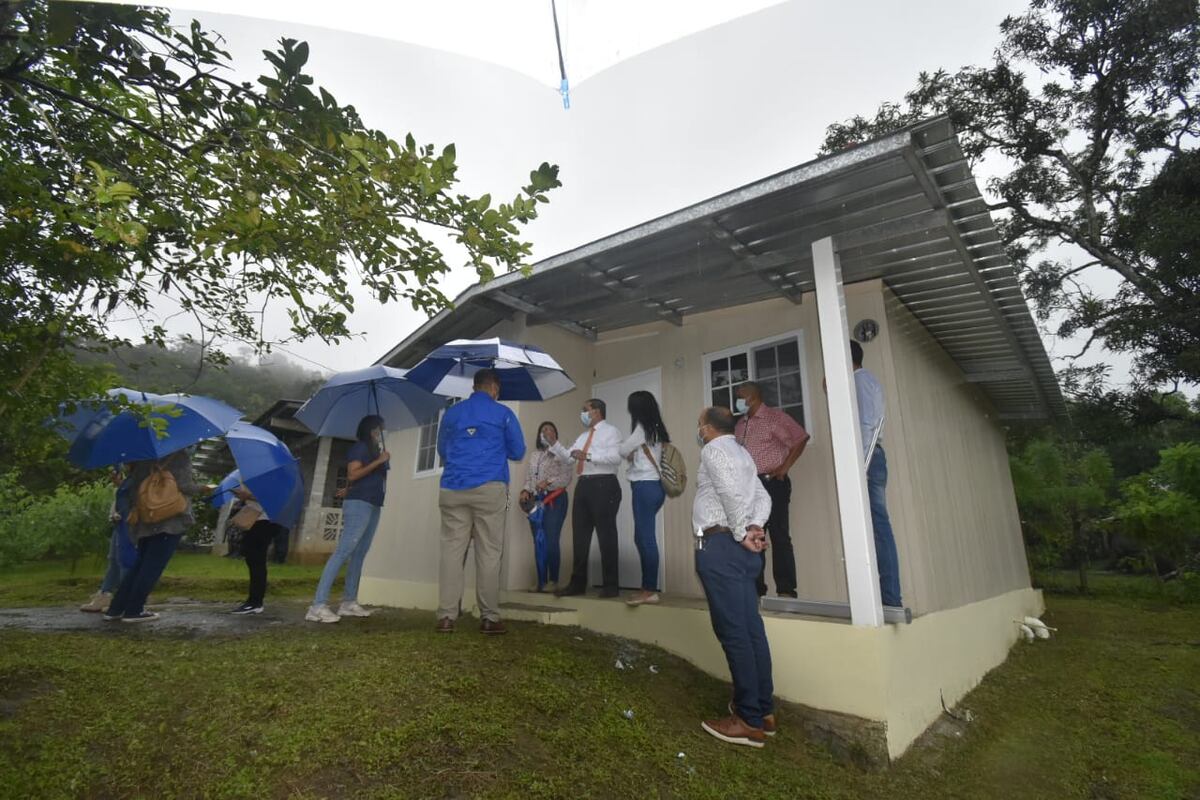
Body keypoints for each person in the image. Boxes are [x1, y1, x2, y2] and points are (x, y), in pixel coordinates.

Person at [693, 406, 775, 748]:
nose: (698, 430)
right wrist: (755, 527)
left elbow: (727, 491)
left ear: (708, 429)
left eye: (700, 425)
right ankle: (763, 710)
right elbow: (763, 496)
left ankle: (747, 721)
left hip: (722, 545)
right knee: (751, 630)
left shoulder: (713, 449)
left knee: (734, 632)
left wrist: (743, 531)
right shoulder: (742, 454)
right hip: (741, 549)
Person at [435, 369, 525, 634]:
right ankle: (489, 618)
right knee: (489, 552)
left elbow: (442, 450)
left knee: (452, 551)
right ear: (494, 388)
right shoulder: (504, 414)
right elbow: (518, 451)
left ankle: (447, 617)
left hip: (453, 487)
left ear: (474, 387)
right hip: (490, 487)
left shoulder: (452, 413)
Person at [103, 449, 210, 623]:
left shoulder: (141, 456)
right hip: (169, 520)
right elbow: (184, 486)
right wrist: (204, 488)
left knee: (139, 566)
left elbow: (133, 487)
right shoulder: (179, 455)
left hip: (146, 519)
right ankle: (134, 610)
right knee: (151, 568)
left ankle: (116, 609)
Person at [306, 415, 390, 623]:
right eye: (381, 428)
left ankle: (348, 602)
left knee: (359, 553)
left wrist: (378, 461)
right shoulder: (360, 448)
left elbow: (365, 478)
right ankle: (317, 605)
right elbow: (353, 473)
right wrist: (379, 461)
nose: (383, 432)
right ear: (373, 430)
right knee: (344, 551)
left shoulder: (375, 450)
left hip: (372, 503)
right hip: (360, 504)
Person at [733, 381, 810, 598]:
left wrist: (784, 467)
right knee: (753, 536)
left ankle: (786, 591)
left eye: (740, 396)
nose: (738, 400)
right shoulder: (740, 424)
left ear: (753, 397)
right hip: (749, 488)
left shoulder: (775, 418)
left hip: (771, 483)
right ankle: (756, 590)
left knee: (779, 536)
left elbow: (800, 438)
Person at [551, 398, 623, 599]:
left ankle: (611, 585)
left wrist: (588, 456)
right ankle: (577, 584)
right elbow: (567, 458)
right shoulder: (583, 436)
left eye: (586, 410)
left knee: (606, 535)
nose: (582, 413)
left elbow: (616, 458)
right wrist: (554, 443)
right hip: (584, 485)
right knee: (580, 536)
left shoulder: (612, 432)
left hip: (604, 484)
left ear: (597, 411)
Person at [851, 340, 902, 607]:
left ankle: (890, 599)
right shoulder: (866, 381)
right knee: (877, 526)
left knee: (879, 527)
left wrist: (859, 465)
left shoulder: (859, 382)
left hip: (868, 457)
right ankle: (886, 597)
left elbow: (867, 423)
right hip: (872, 455)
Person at [618, 390, 670, 606]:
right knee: (641, 537)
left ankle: (649, 590)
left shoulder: (641, 429)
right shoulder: (656, 427)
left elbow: (623, 449)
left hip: (644, 487)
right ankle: (646, 587)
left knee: (646, 539)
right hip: (655, 488)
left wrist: (628, 453)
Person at [519, 421, 573, 592]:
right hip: (537, 501)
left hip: (555, 499)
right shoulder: (535, 455)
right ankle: (541, 581)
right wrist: (525, 490)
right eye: (542, 430)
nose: (545, 432)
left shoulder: (562, 453)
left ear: (555, 434)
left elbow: (566, 478)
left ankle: (553, 580)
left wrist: (548, 482)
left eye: (549, 430)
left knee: (550, 539)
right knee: (538, 541)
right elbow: (530, 478)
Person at [79, 467, 135, 612]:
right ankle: (105, 594)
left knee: (124, 560)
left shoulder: (140, 473)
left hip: (129, 523)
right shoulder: (129, 475)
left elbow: (134, 496)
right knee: (114, 560)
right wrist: (119, 483)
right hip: (119, 521)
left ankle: (125, 599)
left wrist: (121, 484)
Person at [228, 485, 289, 615]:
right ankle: (253, 600)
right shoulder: (258, 477)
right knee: (252, 559)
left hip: (265, 521)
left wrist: (248, 496)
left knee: (257, 561)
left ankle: (255, 602)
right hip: (256, 519)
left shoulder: (274, 479)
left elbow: (273, 498)